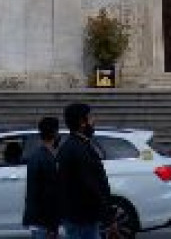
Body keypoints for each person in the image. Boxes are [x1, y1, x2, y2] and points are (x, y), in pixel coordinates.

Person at [56, 101, 111, 239]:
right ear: (82, 122)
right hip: (83, 219)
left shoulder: (70, 146)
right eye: (90, 118)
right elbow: (92, 185)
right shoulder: (79, 149)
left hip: (78, 217)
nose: (94, 121)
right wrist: (107, 216)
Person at [23, 114, 63, 239]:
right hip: (44, 221)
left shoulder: (36, 156)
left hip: (37, 218)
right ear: (55, 133)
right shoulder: (47, 160)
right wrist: (52, 226)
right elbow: (48, 195)